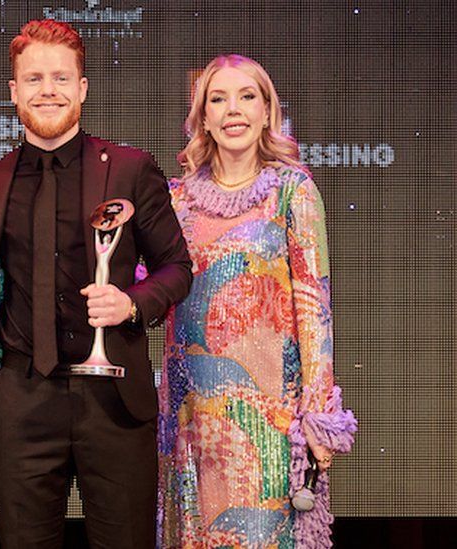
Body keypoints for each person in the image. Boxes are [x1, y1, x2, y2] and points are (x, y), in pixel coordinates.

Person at [0, 20, 192, 548]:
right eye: (35, 78)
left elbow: (177, 268)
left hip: (114, 402)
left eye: (62, 78)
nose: (49, 90)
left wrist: (131, 303)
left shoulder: (132, 170)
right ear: (14, 90)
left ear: (83, 88)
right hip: (22, 400)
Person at [157, 54, 357, 548]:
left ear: (268, 111)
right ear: (202, 116)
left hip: (268, 421)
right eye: (218, 99)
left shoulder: (293, 192)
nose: (233, 110)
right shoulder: (176, 200)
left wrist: (317, 415)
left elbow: (315, 308)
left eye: (247, 96)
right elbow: (148, 285)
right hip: (190, 421)